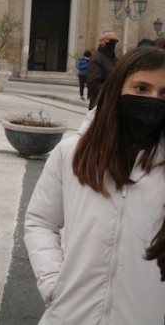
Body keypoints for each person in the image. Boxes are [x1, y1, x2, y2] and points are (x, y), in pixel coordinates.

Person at [25, 46, 165, 323]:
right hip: (70, 314)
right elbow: (41, 221)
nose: (152, 100)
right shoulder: (72, 154)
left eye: (164, 94)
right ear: (118, 89)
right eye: (141, 88)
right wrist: (53, 282)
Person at [86, 29, 117, 109]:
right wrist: (111, 92)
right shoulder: (96, 59)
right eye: (111, 40)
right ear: (102, 41)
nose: (113, 43)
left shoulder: (116, 59)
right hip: (100, 105)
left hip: (113, 104)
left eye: (115, 40)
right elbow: (93, 84)